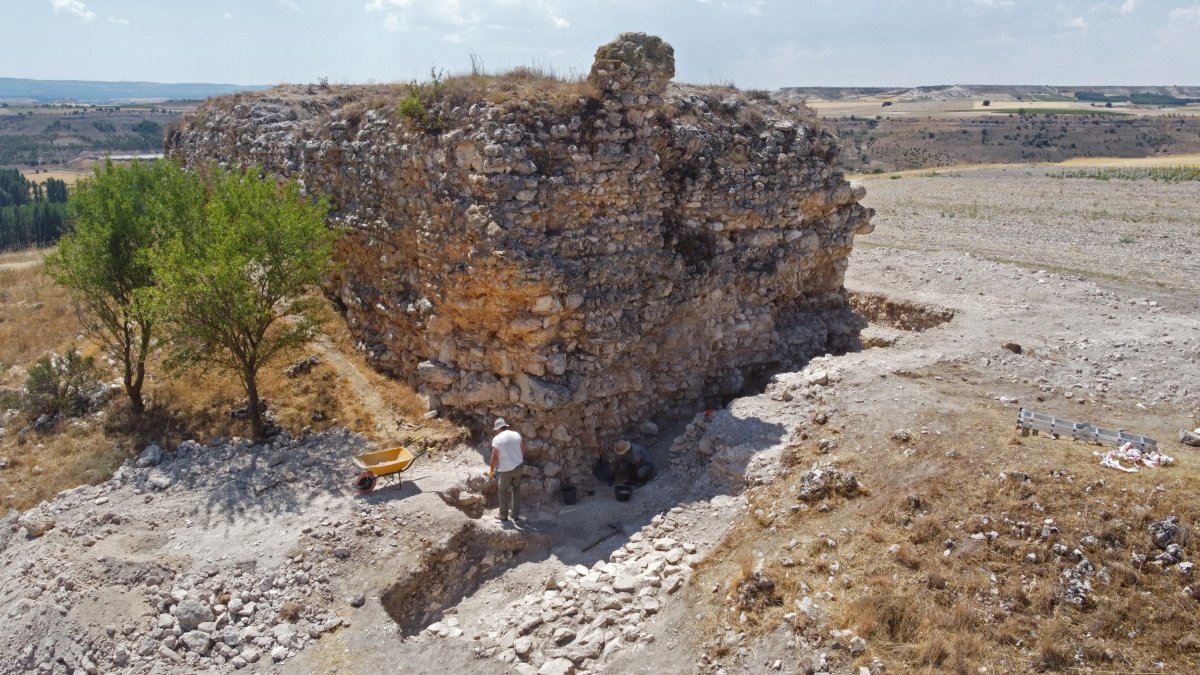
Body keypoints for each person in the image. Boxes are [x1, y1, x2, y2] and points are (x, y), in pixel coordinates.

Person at [488, 418, 526, 522]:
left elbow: (494, 457)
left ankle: (503, 516)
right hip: (519, 466)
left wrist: (491, 471)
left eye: (496, 430)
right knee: (516, 489)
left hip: (505, 470)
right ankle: (515, 515)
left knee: (502, 491)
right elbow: (523, 450)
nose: (496, 432)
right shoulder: (516, 434)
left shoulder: (497, 439)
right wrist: (516, 460)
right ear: (505, 426)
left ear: (498, 429)